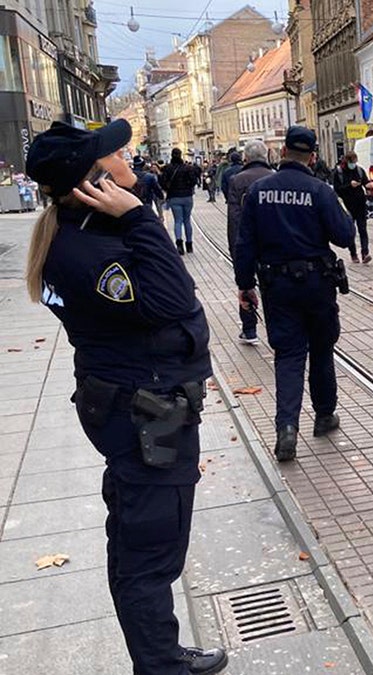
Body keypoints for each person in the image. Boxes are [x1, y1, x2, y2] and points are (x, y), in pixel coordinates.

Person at [23, 120, 227, 675]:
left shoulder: (85, 231)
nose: (126, 156)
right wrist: (138, 217)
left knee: (143, 540)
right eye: (114, 154)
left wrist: (132, 220)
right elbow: (171, 297)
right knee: (150, 551)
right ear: (93, 181)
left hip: (141, 405)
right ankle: (160, 665)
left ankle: (160, 652)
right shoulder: (88, 249)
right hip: (145, 414)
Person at [235, 126, 355, 461]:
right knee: (321, 349)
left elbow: (245, 244)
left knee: (288, 356)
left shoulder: (259, 192)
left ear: (283, 152)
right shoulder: (319, 190)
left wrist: (245, 285)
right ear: (313, 156)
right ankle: (324, 415)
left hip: (277, 286)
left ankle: (286, 428)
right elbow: (345, 235)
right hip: (317, 284)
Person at [225, 142, 274, 346]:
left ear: (246, 158)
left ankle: (249, 328)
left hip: (246, 241)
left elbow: (234, 217)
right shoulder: (275, 177)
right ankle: (274, 327)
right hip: (272, 241)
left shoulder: (237, 180)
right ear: (265, 156)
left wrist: (234, 246)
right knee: (271, 287)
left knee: (245, 284)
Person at [333, 151, 373, 263]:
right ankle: (353, 254)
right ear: (347, 161)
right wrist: (349, 185)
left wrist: (369, 185)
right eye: (352, 162)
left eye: (355, 162)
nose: (354, 165)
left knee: (363, 229)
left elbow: (365, 182)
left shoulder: (359, 171)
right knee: (351, 230)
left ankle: (365, 253)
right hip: (347, 206)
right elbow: (336, 189)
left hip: (360, 204)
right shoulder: (339, 172)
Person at [161, 148, 200, 254]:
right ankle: (189, 245)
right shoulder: (187, 168)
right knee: (187, 220)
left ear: (172, 155)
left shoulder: (168, 168)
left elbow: (163, 182)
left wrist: (169, 189)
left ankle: (179, 244)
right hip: (187, 196)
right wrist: (188, 187)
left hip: (174, 197)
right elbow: (194, 181)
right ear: (181, 155)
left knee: (178, 221)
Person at [131, 155, 166, 220]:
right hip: (147, 204)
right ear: (143, 165)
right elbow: (157, 190)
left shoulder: (128, 176)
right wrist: (162, 197)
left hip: (132, 205)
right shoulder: (149, 177)